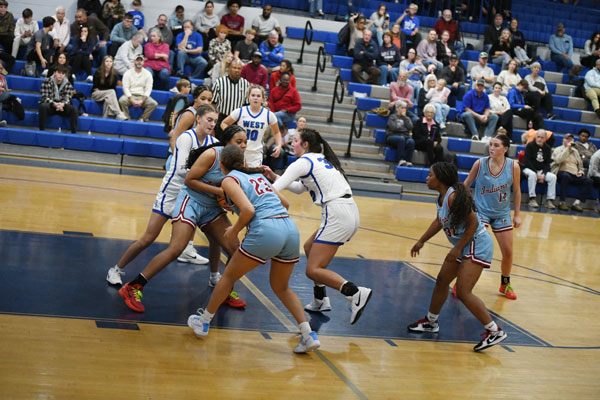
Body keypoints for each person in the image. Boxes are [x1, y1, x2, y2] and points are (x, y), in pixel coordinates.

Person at [187, 143, 321, 354]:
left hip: (266, 230)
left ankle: (203, 322)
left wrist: (234, 230)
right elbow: (285, 204)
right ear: (244, 161)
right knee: (281, 287)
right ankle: (308, 334)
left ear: (221, 165)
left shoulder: (229, 179)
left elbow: (248, 210)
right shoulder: (259, 177)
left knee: (228, 277)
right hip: (289, 230)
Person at [115, 114, 248, 312]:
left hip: (211, 207)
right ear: (227, 142)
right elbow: (189, 181)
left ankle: (225, 289)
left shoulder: (241, 161)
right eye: (239, 142)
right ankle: (134, 286)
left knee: (235, 249)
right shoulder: (212, 154)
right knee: (177, 248)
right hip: (190, 200)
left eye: (245, 142)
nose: (243, 145)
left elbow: (239, 189)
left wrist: (231, 201)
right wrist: (221, 192)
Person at [263, 128, 372, 325]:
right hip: (348, 210)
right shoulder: (320, 159)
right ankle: (320, 300)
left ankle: (355, 293)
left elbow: (274, 191)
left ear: (305, 145)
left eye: (295, 140)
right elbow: (298, 188)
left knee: (312, 270)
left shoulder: (303, 162)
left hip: (337, 213)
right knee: (309, 247)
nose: (292, 143)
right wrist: (274, 176)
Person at [408, 162, 508, 352]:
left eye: (430, 175)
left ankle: (494, 331)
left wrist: (457, 249)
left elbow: (473, 223)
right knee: (442, 280)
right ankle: (431, 322)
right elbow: (439, 221)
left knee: (463, 291)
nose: (427, 178)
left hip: (477, 243)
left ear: (440, 179)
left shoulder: (453, 197)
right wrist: (422, 241)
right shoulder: (442, 197)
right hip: (464, 245)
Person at [463, 134, 521, 300]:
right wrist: (464, 207)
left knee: (508, 252)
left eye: (496, 145)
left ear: (505, 149)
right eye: (491, 145)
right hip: (481, 212)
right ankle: (463, 283)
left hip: (502, 213)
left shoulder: (513, 166)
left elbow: (517, 190)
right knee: (475, 249)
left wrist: (517, 215)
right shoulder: (480, 163)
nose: (492, 148)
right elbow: (466, 185)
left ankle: (505, 284)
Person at [221, 84, 281, 167]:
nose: (255, 98)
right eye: (253, 95)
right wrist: (232, 134)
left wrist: (279, 146)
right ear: (248, 97)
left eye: (258, 96)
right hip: (239, 151)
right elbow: (224, 123)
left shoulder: (269, 115)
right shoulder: (240, 111)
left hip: (255, 154)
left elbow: (276, 132)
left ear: (263, 99)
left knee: (252, 174)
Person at [551, 134, 593, 211]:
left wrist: (580, 172)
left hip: (574, 174)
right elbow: (558, 160)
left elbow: (580, 165)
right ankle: (562, 202)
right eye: (568, 139)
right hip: (562, 172)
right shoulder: (558, 149)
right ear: (563, 140)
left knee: (589, 181)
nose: (570, 141)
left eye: (571, 139)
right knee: (565, 176)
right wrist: (567, 149)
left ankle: (577, 203)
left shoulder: (575, 151)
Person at [211, 58, 250, 140]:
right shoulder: (219, 82)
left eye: (239, 68)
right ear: (229, 68)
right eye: (234, 68)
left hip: (237, 120)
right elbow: (213, 104)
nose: (236, 70)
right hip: (222, 118)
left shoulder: (246, 84)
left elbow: (246, 105)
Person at [39, 65, 78, 133]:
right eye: (59, 73)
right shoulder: (47, 81)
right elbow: (45, 97)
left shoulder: (68, 84)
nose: (60, 75)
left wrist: (62, 104)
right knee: (43, 106)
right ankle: (41, 130)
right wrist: (54, 104)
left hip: (62, 106)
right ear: (54, 73)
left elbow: (68, 98)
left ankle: (74, 132)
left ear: (65, 75)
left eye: (62, 74)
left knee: (73, 109)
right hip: (51, 104)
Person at [523, 129, 557, 209]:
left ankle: (549, 200)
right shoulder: (530, 145)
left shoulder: (547, 148)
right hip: (529, 169)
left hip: (541, 171)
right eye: (538, 137)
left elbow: (547, 164)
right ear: (536, 137)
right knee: (532, 175)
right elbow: (527, 161)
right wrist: (536, 173)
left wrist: (543, 174)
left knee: (553, 177)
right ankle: (532, 199)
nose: (539, 139)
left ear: (545, 139)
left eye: (542, 137)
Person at [118, 54, 157, 122]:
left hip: (142, 96)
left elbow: (148, 89)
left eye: (141, 61)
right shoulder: (127, 73)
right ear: (134, 62)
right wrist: (131, 99)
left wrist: (142, 100)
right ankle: (127, 118)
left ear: (143, 62)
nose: (139, 62)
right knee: (122, 100)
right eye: (137, 60)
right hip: (130, 95)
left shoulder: (148, 74)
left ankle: (143, 118)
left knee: (153, 104)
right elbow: (125, 88)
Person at [92, 55, 127, 120]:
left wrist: (105, 90)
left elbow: (113, 88)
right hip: (96, 94)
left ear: (112, 63)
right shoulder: (98, 72)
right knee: (111, 92)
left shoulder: (114, 75)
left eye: (110, 61)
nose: (108, 63)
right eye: (107, 61)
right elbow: (96, 87)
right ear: (104, 63)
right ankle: (118, 113)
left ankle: (105, 118)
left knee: (108, 100)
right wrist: (106, 90)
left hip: (107, 94)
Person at [386, 100, 415, 166]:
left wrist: (404, 117)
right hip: (392, 136)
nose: (404, 110)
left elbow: (410, 127)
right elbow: (393, 128)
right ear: (397, 108)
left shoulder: (407, 118)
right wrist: (403, 129)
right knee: (401, 139)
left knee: (411, 141)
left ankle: (408, 160)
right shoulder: (393, 117)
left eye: (405, 108)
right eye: (402, 108)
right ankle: (400, 159)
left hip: (404, 137)